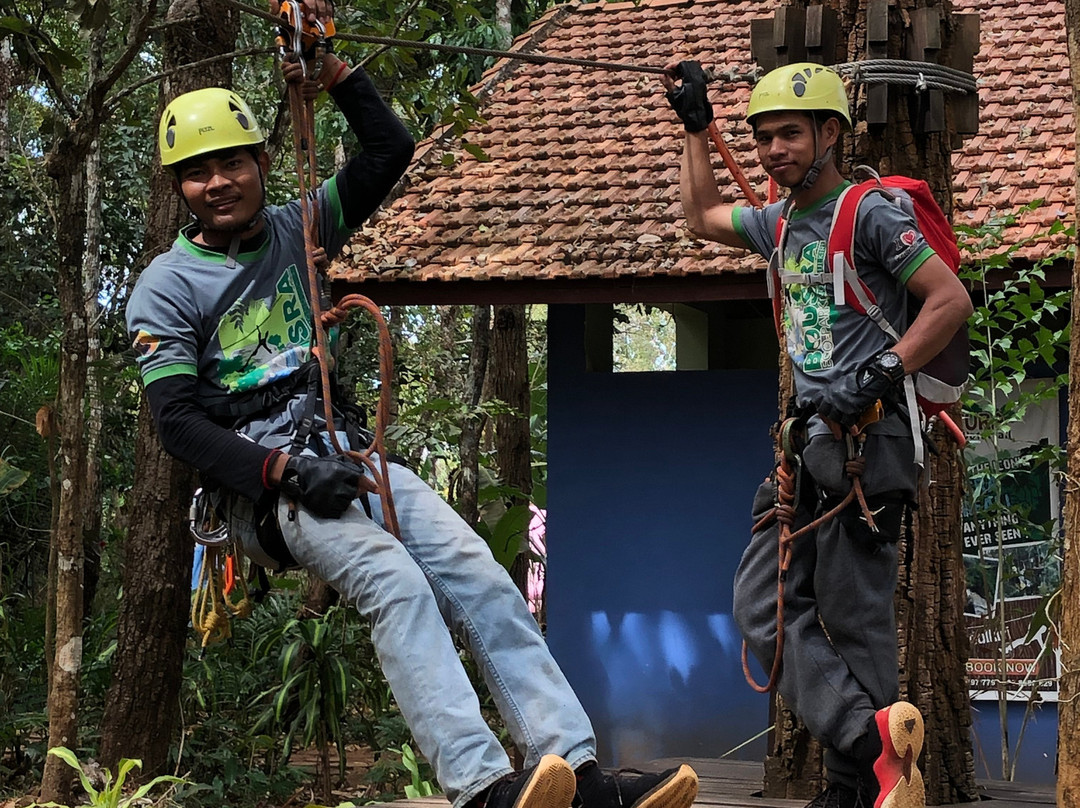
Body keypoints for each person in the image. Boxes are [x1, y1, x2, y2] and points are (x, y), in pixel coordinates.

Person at [126, 5, 701, 808]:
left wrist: (332, 70)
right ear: (178, 188)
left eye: (232, 162)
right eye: (196, 171)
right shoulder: (166, 288)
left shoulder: (300, 228)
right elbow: (177, 425)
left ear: (261, 161)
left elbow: (389, 152)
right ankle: (480, 786)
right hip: (270, 483)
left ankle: (578, 772)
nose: (217, 181)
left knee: (477, 572)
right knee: (395, 584)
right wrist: (286, 474)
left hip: (347, 453)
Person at [662, 61, 973, 808]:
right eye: (764, 138)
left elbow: (948, 300)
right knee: (760, 607)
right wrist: (696, 130)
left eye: (790, 135)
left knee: (857, 621)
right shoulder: (780, 223)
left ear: (830, 133)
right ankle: (871, 751)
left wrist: (882, 371)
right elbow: (699, 218)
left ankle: (849, 789)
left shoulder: (870, 215)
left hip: (869, 443)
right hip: (807, 448)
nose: (773, 151)